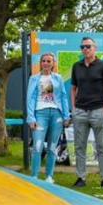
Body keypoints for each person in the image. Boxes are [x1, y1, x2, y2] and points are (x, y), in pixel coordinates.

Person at [70, 37, 103, 188]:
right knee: (79, 147)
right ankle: (81, 178)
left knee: (101, 146)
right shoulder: (76, 66)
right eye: (82, 47)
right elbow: (74, 88)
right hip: (80, 112)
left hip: (98, 111)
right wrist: (74, 107)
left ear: (95, 48)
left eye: (88, 46)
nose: (85, 49)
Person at [26, 52, 70, 182]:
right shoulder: (34, 79)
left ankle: (49, 176)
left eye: (49, 61)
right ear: (41, 63)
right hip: (40, 114)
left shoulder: (58, 78)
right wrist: (31, 118)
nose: (46, 63)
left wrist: (66, 116)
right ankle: (34, 176)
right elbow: (30, 98)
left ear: (53, 64)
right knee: (38, 146)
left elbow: (63, 97)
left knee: (52, 147)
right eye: (43, 61)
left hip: (56, 114)